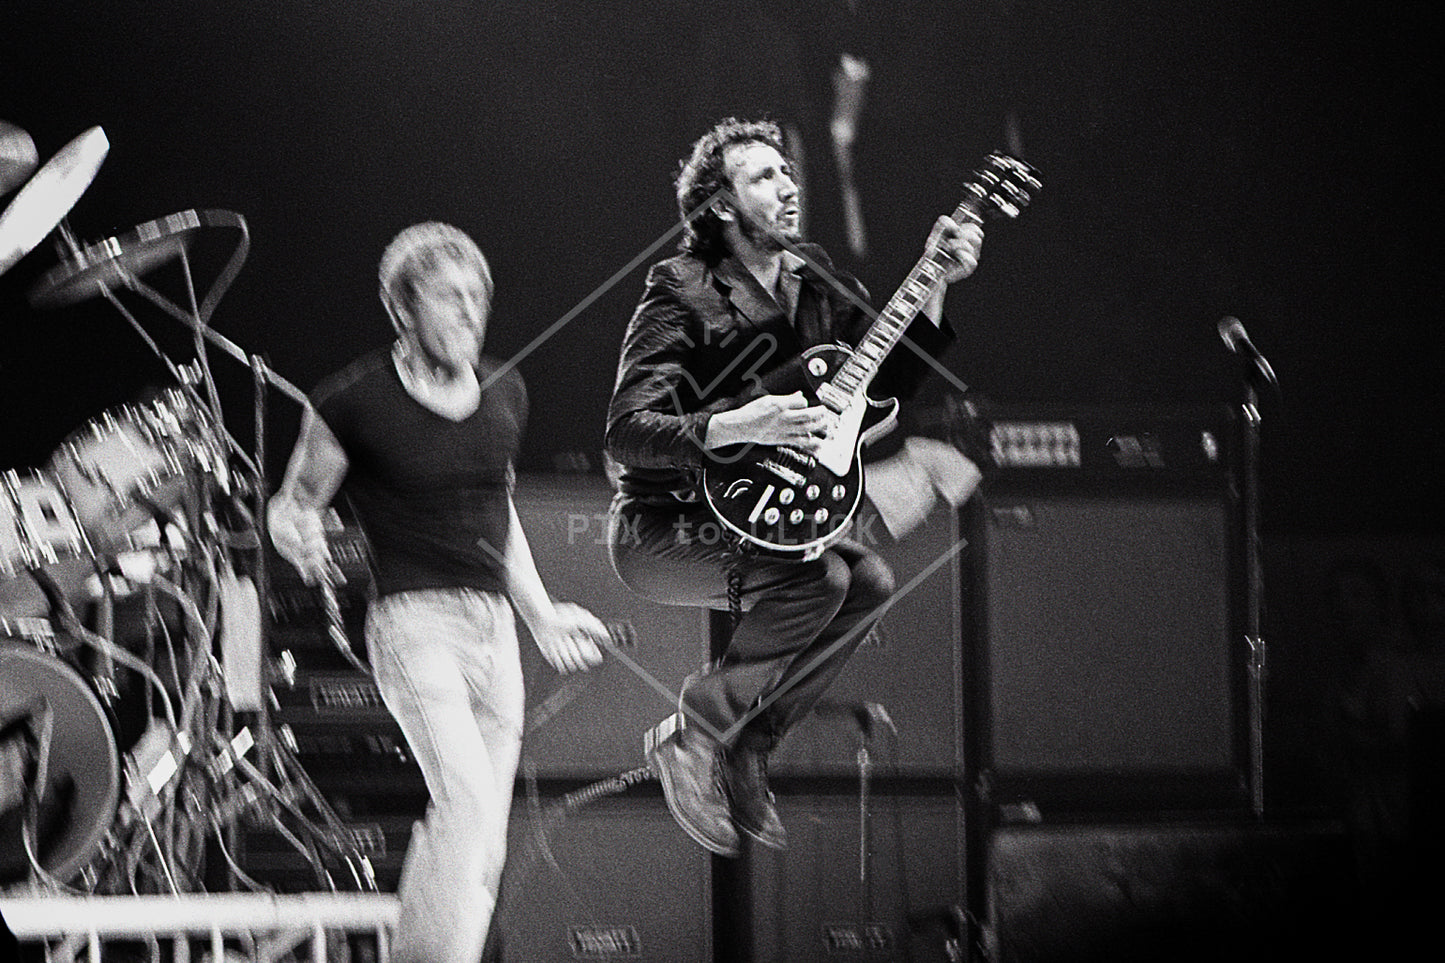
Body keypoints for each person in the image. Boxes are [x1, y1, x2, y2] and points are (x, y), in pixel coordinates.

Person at [604, 118, 983, 856]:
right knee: (822, 582)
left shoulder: (814, 276)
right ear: (718, 206)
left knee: (866, 577)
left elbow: (885, 379)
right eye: (763, 177)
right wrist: (731, 424)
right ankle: (694, 732)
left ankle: (747, 743)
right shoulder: (679, 290)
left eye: (788, 173)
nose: (787, 187)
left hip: (770, 517)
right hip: (666, 525)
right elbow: (627, 428)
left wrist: (935, 282)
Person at [267, 222, 607, 962]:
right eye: (448, 297)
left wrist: (540, 610)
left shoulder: (506, 389)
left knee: (480, 839)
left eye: (478, 297)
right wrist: (297, 530)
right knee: (468, 803)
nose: (468, 311)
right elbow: (293, 501)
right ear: (402, 309)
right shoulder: (352, 399)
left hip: (494, 633)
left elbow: (498, 511)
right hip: (414, 625)